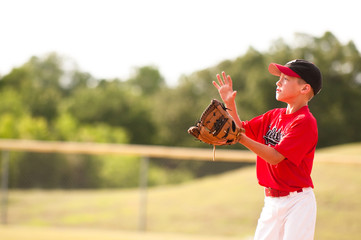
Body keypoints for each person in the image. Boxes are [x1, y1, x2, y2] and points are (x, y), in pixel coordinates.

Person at [213, 59, 322, 240]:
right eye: (280, 78)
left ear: (305, 89)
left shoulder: (304, 121)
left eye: (286, 79)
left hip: (297, 203)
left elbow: (275, 156)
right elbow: (239, 129)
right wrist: (229, 104)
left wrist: (239, 137)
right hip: (271, 201)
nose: (278, 82)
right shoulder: (274, 115)